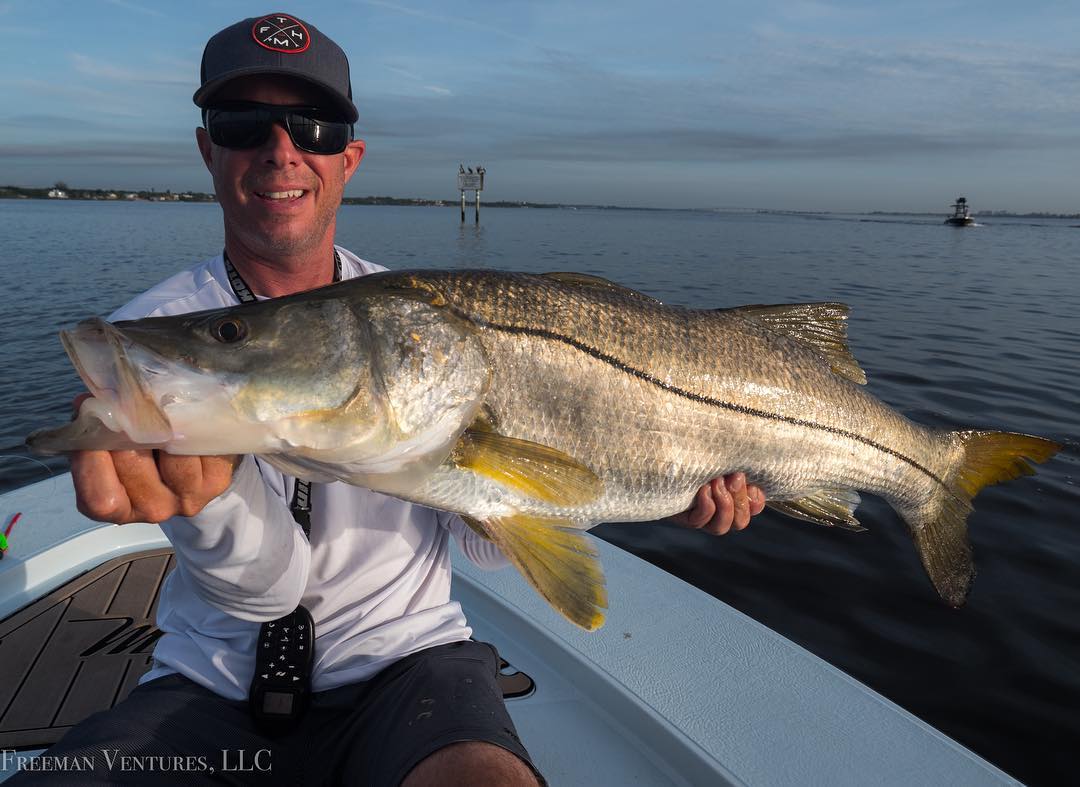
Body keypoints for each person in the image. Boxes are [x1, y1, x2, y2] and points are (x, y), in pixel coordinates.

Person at [15, 13, 766, 786]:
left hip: (414, 663)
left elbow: (478, 540)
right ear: (208, 148)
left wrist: (640, 476)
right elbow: (267, 590)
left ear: (350, 158)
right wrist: (211, 502)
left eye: (314, 126)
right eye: (243, 125)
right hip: (210, 682)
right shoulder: (163, 336)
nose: (282, 151)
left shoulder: (411, 324)